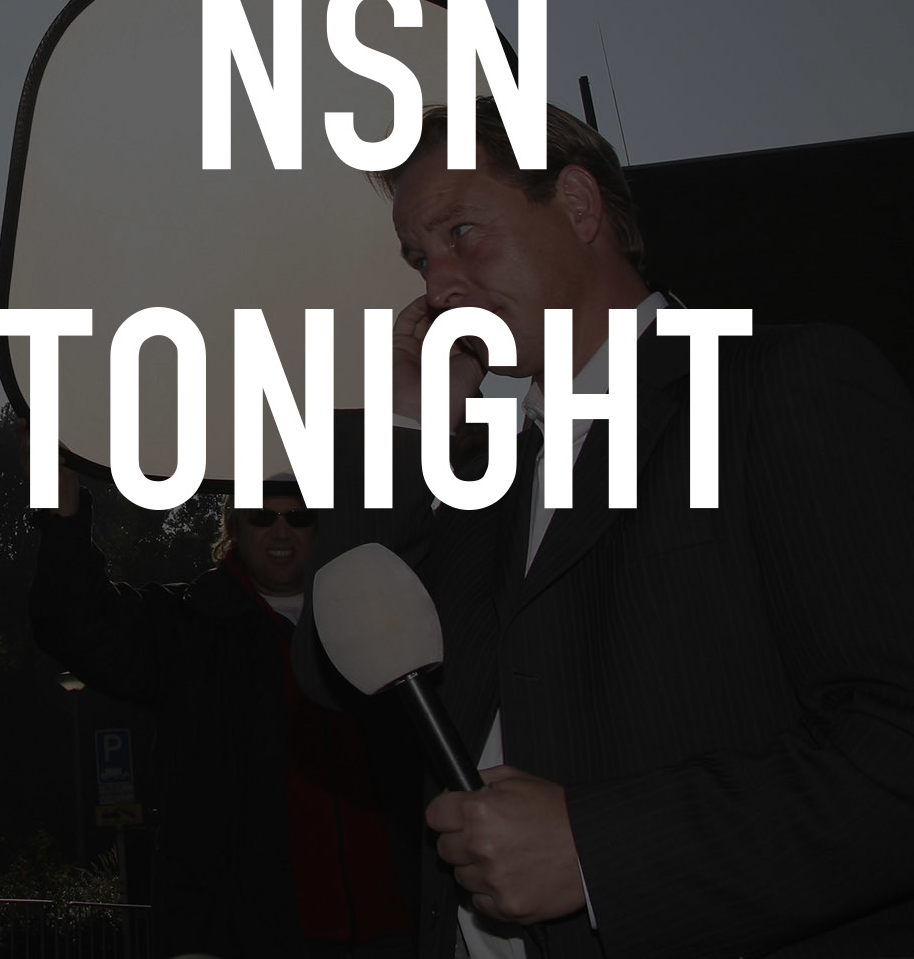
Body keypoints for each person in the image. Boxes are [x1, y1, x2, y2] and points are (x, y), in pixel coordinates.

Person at [293, 96, 914, 959]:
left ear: (579, 206)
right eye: (420, 258)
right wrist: (408, 424)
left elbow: (894, 743)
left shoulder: (781, 386)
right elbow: (333, 672)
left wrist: (597, 852)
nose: (437, 287)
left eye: (461, 233)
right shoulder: (480, 480)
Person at [29, 450, 418, 959]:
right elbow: (76, 624)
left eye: (299, 517)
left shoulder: (383, 621)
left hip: (392, 928)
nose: (281, 531)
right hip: (242, 934)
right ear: (234, 525)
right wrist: (62, 515)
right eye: (262, 516)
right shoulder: (189, 628)